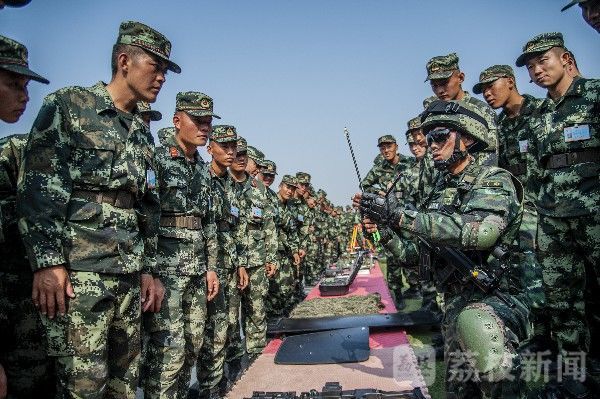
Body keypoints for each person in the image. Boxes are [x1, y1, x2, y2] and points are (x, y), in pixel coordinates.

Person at [17, 20, 179, 398]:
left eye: (165, 72)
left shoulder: (140, 130)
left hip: (127, 276)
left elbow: (147, 209)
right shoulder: (69, 106)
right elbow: (38, 189)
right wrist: (47, 262)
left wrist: (149, 270)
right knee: (83, 385)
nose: (161, 79)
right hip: (78, 277)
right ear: (125, 61)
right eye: (155, 68)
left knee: (125, 385)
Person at [358, 100, 531, 398]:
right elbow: (414, 254)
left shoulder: (492, 180)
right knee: (461, 391)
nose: (432, 146)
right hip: (454, 305)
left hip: (492, 300)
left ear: (467, 138)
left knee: (497, 379)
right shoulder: (440, 192)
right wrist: (385, 230)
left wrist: (400, 215)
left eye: (440, 137)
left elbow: (481, 234)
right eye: (429, 139)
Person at [517, 32, 600, 395]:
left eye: (543, 61)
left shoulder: (595, 95)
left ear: (566, 59)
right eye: (531, 66)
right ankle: (575, 375)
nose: (536, 70)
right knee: (562, 301)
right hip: (553, 220)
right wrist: (538, 217)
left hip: (595, 214)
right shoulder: (540, 115)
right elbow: (536, 171)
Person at [141, 92, 220, 399]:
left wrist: (211, 268)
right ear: (177, 121)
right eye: (197, 121)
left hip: (197, 272)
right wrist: (149, 271)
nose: (204, 128)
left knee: (193, 345)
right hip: (166, 274)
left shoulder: (202, 169)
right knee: (167, 353)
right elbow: (146, 217)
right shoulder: (156, 159)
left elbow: (209, 222)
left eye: (208, 123)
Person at [0, 34, 53, 399]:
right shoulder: (10, 155)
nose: (25, 96)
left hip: (24, 312)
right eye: (13, 84)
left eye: (26, 86)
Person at [196, 125, 247, 399]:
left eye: (233, 148)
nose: (230, 152)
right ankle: (207, 387)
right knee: (206, 331)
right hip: (203, 268)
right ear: (210, 148)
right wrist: (208, 267)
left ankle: (221, 381)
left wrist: (239, 264)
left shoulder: (231, 185)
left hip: (228, 267)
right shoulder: (200, 178)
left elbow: (233, 229)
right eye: (224, 147)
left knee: (226, 326)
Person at [225, 136, 277, 390]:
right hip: (230, 266)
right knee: (232, 319)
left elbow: (269, 227)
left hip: (256, 263)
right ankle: (235, 367)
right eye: (237, 152)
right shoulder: (222, 186)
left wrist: (272, 256)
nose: (241, 157)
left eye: (245, 153)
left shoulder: (259, 190)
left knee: (257, 315)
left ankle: (257, 363)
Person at [361, 134, 411, 309]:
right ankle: (396, 293)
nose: (386, 150)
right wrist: (380, 191)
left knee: (412, 254)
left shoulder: (409, 163)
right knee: (393, 257)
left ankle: (415, 287)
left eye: (389, 146)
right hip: (389, 219)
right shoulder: (378, 168)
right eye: (382, 148)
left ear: (396, 146)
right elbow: (365, 185)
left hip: (409, 216)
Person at [424, 53, 498, 166]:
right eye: (434, 85)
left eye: (444, 83)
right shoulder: (435, 113)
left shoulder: (480, 111)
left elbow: (488, 157)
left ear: (460, 77)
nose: (440, 91)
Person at [266, 175, 301, 319]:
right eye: (288, 187)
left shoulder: (291, 206)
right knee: (273, 289)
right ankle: (273, 322)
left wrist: (294, 250)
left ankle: (283, 317)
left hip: (285, 252)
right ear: (280, 186)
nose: (290, 191)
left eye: (293, 189)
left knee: (286, 287)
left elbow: (292, 230)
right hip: (272, 251)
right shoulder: (272, 201)